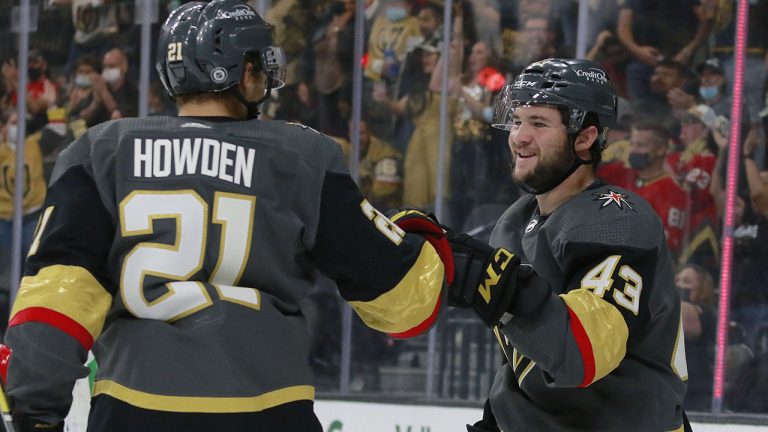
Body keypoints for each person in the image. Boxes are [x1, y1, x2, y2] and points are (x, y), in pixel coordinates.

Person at [1, 1, 453, 430]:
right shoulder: (302, 155)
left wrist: (37, 409)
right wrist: (431, 245)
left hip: (134, 408)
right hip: (268, 409)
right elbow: (403, 307)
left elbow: (56, 301)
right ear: (244, 71)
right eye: (258, 62)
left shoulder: (101, 151)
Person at [444, 58, 689, 431]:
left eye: (539, 123)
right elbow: (525, 355)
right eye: (517, 120)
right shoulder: (514, 221)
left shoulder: (618, 221)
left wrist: (497, 286)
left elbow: (583, 354)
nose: (518, 136)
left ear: (586, 137)